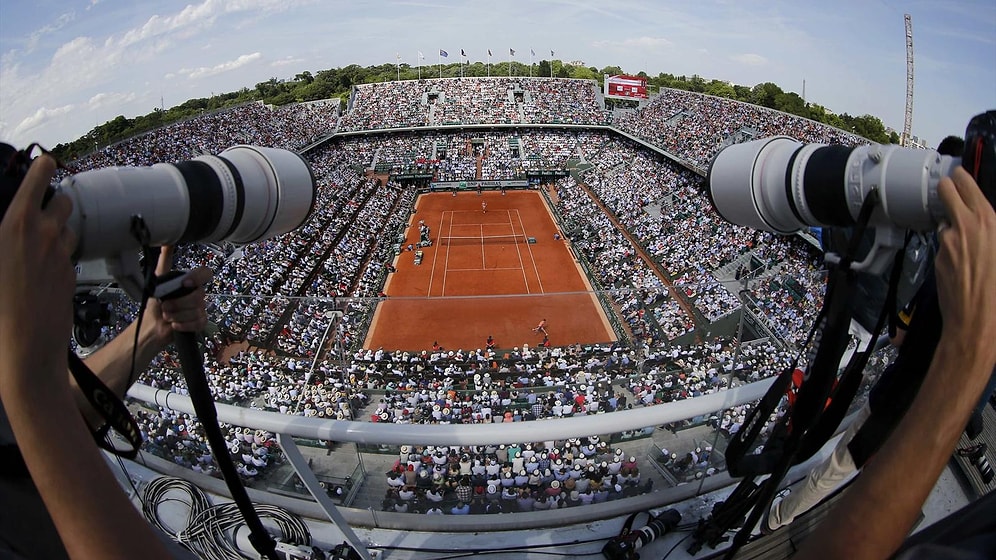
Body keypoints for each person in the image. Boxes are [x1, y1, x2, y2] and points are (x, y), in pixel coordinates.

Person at [0, 154, 212, 559]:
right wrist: (32, 386)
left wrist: (151, 329)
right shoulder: (26, 382)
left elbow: (33, 433)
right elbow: (38, 417)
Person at [798, 166, 996, 558]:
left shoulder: (948, 269)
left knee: (836, 469)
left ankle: (776, 519)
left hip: (900, 401)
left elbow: (902, 336)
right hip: (947, 421)